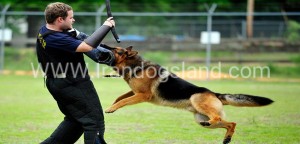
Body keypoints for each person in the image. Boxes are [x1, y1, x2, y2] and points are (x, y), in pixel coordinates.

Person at [36, 2, 116, 144]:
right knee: (94, 122)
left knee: (76, 122)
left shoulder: (45, 30)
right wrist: (106, 26)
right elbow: (87, 46)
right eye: (71, 18)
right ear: (60, 19)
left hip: (58, 82)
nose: (74, 20)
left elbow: (76, 38)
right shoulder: (56, 38)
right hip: (72, 83)